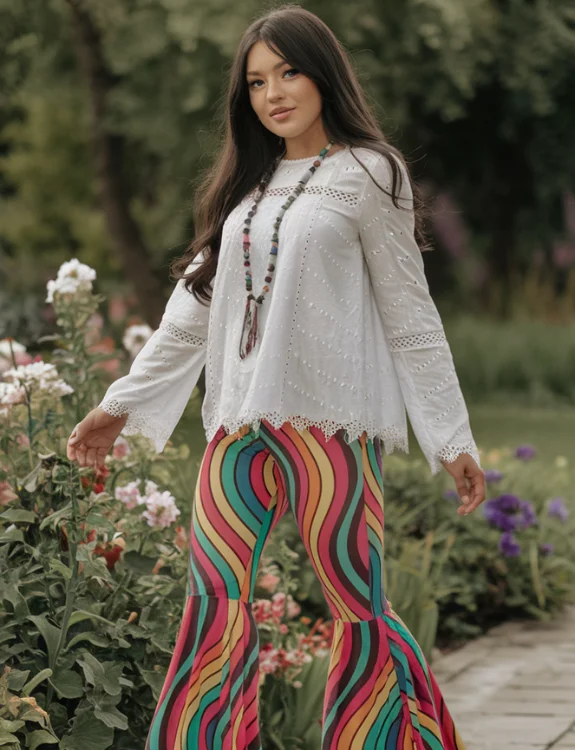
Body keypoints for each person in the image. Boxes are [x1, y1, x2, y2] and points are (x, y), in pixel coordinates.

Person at [67, 5, 485, 748]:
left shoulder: (369, 171)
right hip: (238, 426)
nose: (273, 93)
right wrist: (118, 406)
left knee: (356, 603)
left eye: (288, 71)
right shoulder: (244, 188)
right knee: (214, 595)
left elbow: (409, 314)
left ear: (322, 73)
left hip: (331, 425)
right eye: (257, 81)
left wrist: (450, 435)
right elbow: (191, 316)